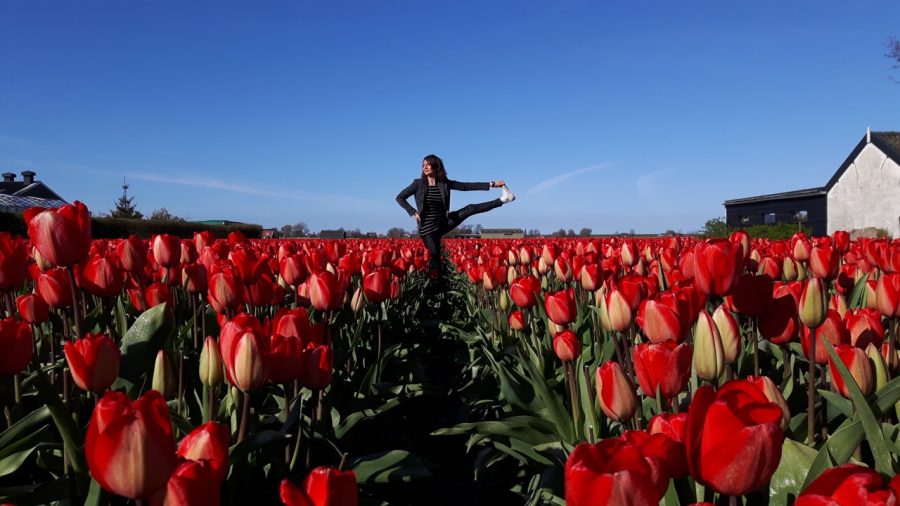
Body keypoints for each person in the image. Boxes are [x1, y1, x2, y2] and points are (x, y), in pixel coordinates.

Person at [396, 154, 515, 277]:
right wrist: (413, 212)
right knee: (435, 258)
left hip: (443, 222)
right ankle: (436, 288)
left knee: (470, 208)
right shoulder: (418, 184)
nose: (424, 167)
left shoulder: (444, 183)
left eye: (428, 164)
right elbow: (400, 198)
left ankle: (504, 199)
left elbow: (466, 186)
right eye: (423, 165)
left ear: (436, 166)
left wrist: (492, 184)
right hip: (428, 229)